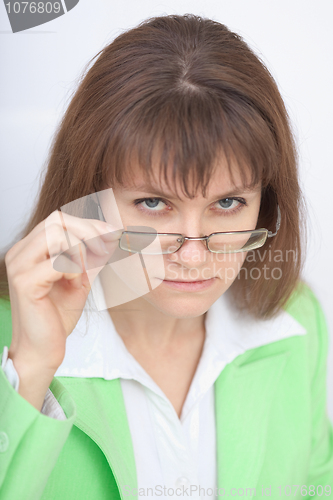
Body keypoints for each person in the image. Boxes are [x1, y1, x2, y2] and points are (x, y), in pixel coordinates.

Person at [0, 13, 332, 500]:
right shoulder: (15, 338)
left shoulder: (296, 321)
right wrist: (30, 369)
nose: (194, 259)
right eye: (154, 203)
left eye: (227, 203)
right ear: (91, 198)